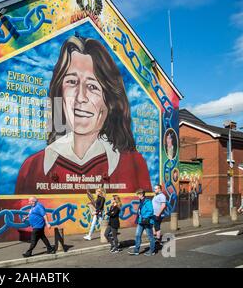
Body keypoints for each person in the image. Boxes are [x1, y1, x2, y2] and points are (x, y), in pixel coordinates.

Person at [16, 35, 151, 194]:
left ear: (110, 100)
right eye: (72, 82)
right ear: (59, 91)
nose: (80, 97)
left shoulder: (133, 164)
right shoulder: (32, 168)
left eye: (93, 86)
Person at [129, 189, 156, 256]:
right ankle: (136, 250)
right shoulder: (141, 201)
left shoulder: (147, 201)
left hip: (147, 221)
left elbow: (151, 211)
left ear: (141, 194)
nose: (137, 196)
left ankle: (152, 250)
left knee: (150, 236)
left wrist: (144, 217)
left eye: (137, 194)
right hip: (141, 221)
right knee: (137, 235)